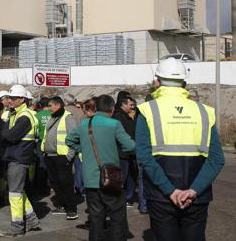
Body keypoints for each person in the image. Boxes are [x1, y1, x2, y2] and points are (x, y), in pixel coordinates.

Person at [136, 58, 225, 241]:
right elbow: (217, 159)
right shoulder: (204, 111)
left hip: (161, 196)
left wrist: (171, 191)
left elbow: (144, 158)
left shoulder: (147, 110)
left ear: (157, 82)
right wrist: (193, 190)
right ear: (185, 83)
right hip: (197, 197)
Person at [66, 95, 135, 241]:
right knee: (117, 216)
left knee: (96, 218)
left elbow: (69, 140)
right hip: (111, 178)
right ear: (111, 109)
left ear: (96, 107)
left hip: (91, 179)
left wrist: (83, 149)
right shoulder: (114, 124)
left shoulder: (84, 124)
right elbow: (130, 146)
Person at [0, 85, 40, 237]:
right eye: (9, 98)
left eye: (13, 98)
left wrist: (4, 129)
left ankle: (16, 226)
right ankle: (32, 219)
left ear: (22, 99)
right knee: (19, 191)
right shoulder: (17, 114)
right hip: (17, 157)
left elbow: (9, 136)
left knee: (15, 194)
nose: (10, 101)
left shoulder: (24, 116)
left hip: (18, 158)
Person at [41, 96, 79, 220]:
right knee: (55, 182)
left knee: (66, 183)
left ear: (57, 105)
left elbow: (74, 136)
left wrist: (69, 156)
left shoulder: (67, 117)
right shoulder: (53, 117)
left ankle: (71, 209)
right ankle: (62, 205)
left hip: (62, 156)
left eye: (51, 106)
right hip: (50, 156)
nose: (49, 108)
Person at [112, 96, 145, 212]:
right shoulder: (118, 117)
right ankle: (120, 199)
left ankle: (128, 198)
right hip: (122, 153)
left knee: (131, 177)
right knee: (122, 178)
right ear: (123, 104)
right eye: (130, 105)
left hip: (130, 152)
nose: (132, 107)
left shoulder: (128, 116)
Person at [34, 97, 51, 196]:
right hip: (52, 142)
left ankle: (41, 188)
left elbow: (34, 131)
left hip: (40, 142)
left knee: (41, 165)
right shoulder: (54, 115)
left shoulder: (37, 116)